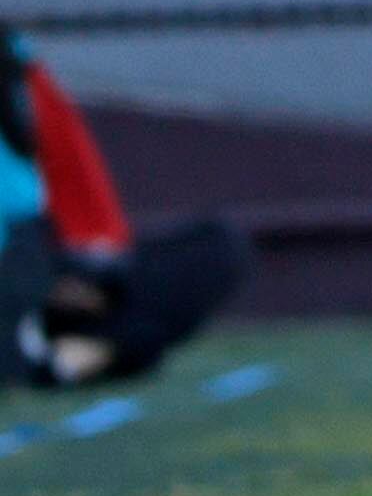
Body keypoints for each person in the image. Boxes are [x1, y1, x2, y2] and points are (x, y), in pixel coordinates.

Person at [2, 27, 250, 391]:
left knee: (215, 246)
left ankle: (63, 352)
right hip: (24, 259)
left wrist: (93, 252)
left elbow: (67, 159)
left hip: (47, 257)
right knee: (134, 325)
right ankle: (58, 353)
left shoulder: (15, 62)